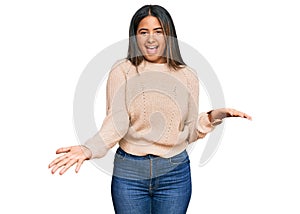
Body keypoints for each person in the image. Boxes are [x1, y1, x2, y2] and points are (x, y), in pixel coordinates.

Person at [49, 5, 252, 214]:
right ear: (135, 37)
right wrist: (89, 148)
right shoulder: (123, 70)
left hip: (174, 173)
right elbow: (116, 121)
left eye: (158, 31)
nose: (151, 39)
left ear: (169, 35)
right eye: (143, 32)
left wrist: (213, 116)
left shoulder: (187, 75)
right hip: (129, 172)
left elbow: (189, 131)